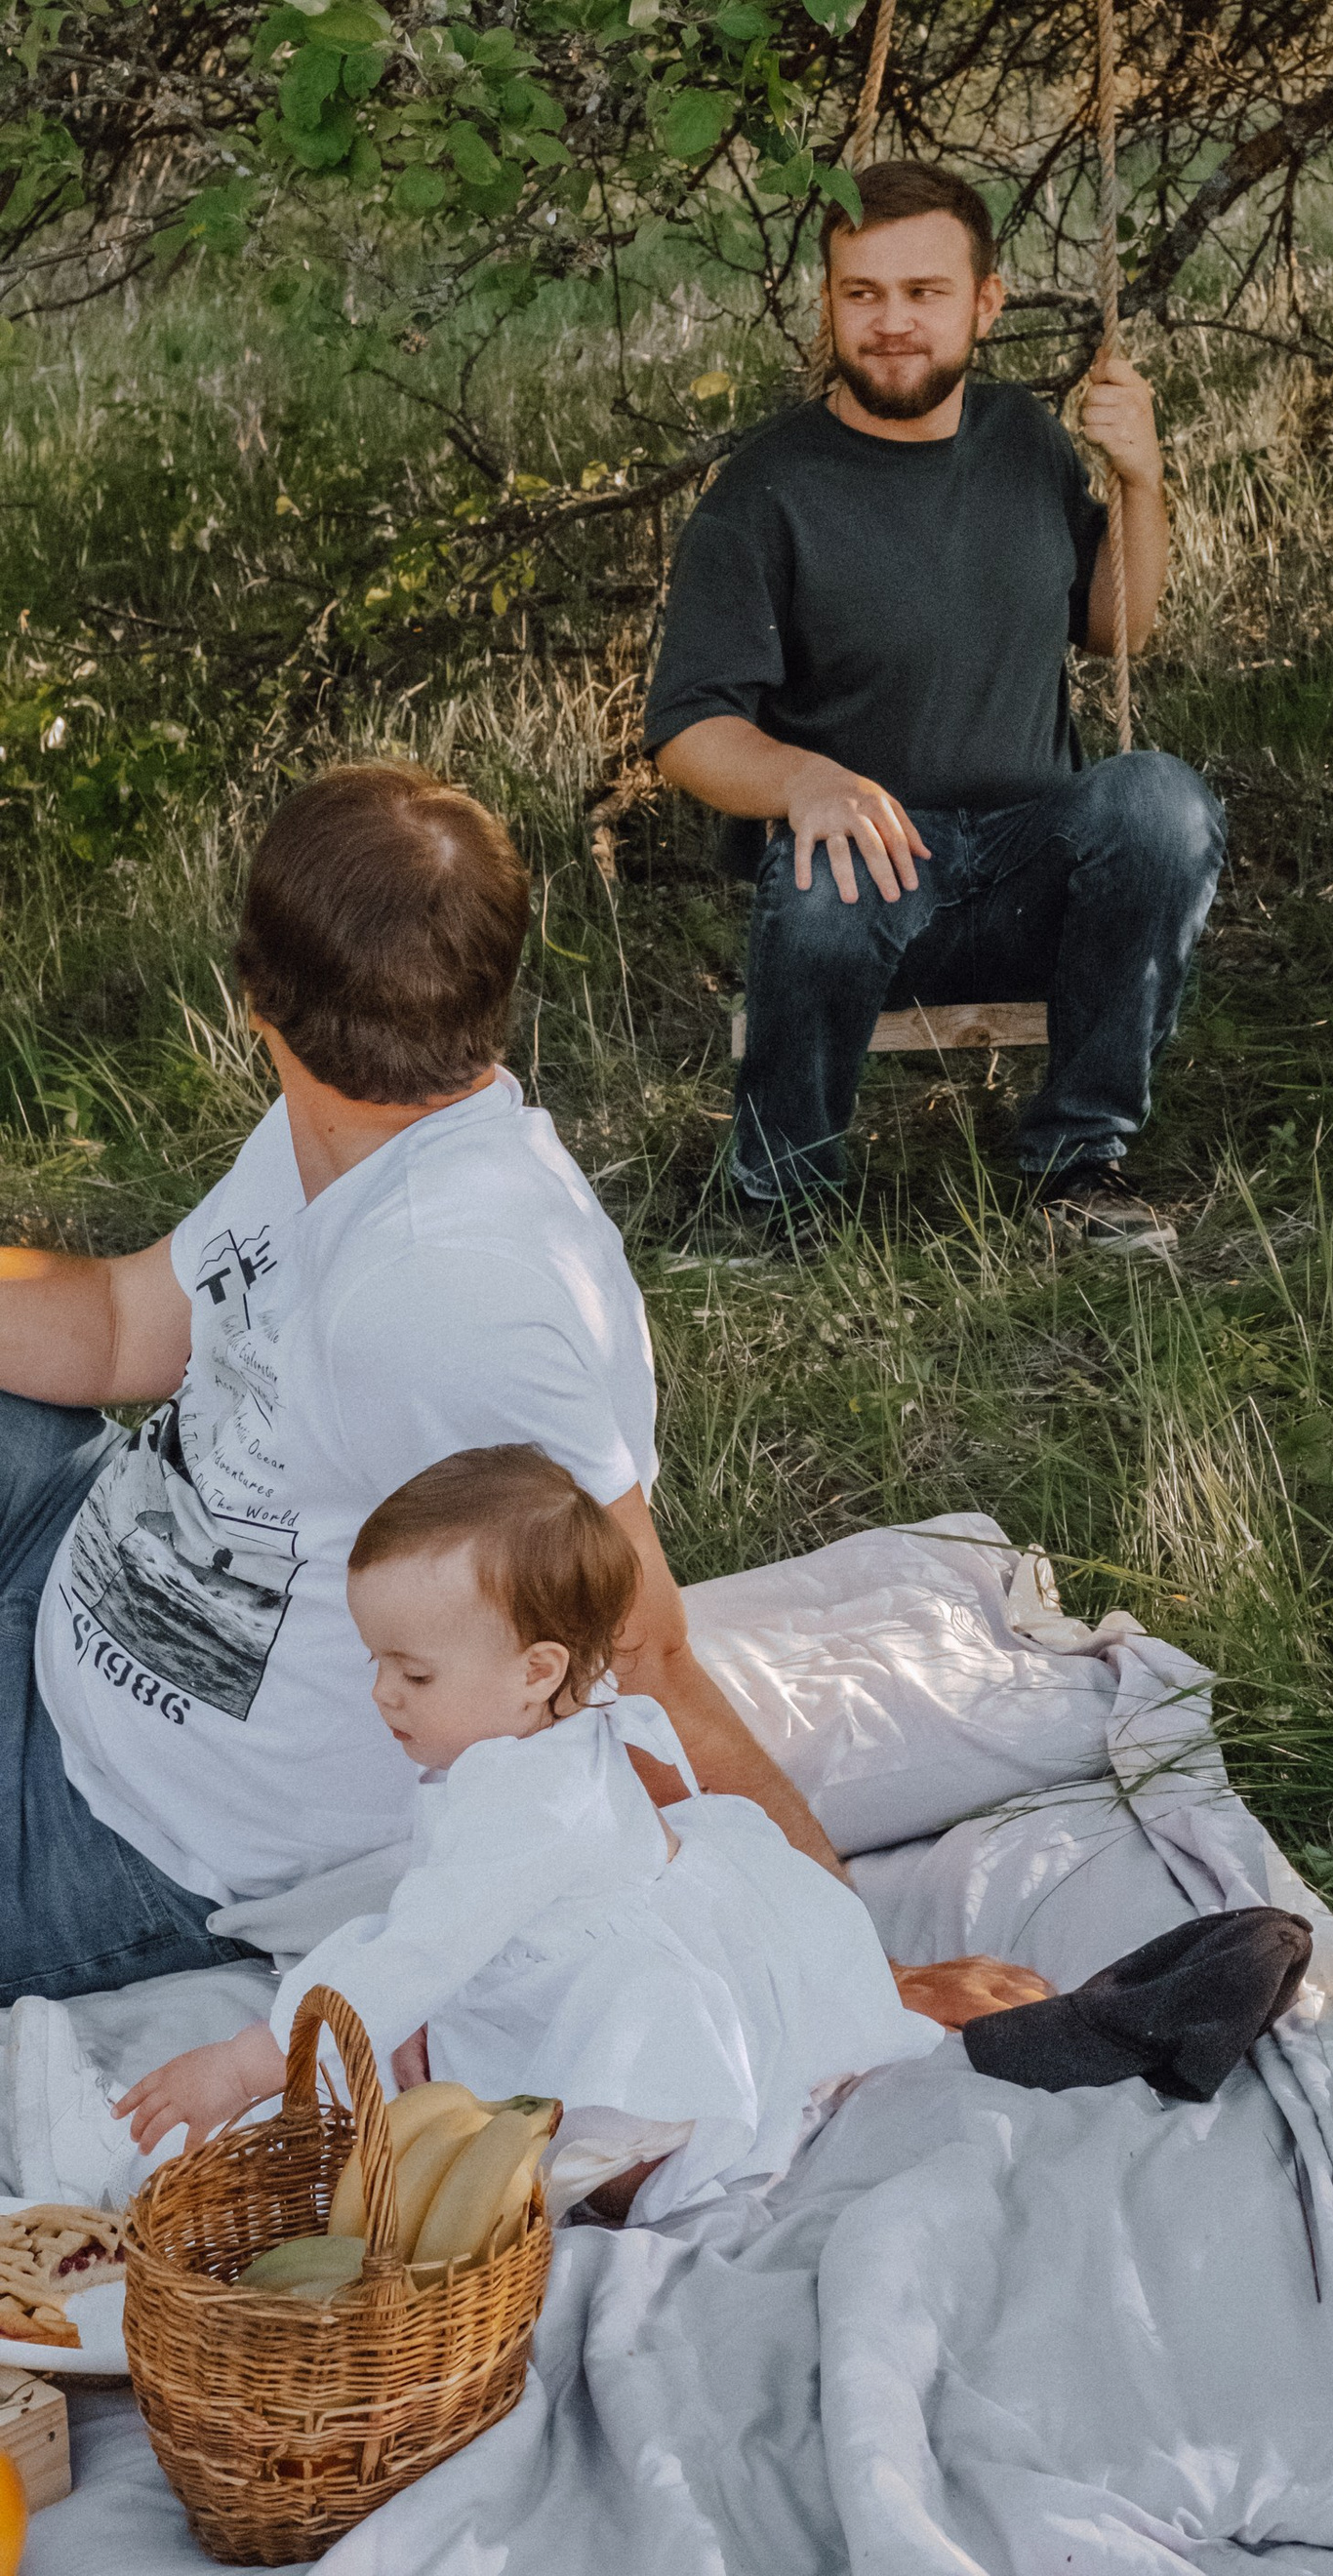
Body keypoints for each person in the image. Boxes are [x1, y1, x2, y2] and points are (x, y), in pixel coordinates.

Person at [0, 762, 1037, 2021]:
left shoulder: (458, 1298)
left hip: (128, 1818)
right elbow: (117, 1328)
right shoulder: (325, 1135)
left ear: (254, 996)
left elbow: (635, 1655)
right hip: (69, 1556)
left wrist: (861, 1977)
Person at [114, 1447, 949, 2214]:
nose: (383, 1693)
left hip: (626, 1992)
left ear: (537, 1670)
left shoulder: (529, 1803)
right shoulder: (542, 1725)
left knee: (598, 2149)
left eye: (413, 1672)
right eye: (376, 1662)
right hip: (565, 1941)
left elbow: (422, 1949)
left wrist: (257, 2058)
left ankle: (662, 2143)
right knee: (450, 2050)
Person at [645, 161, 1226, 1250]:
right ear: (828, 304)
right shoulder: (766, 489)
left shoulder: (1025, 444)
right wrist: (804, 780)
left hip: (1028, 881)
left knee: (1161, 800)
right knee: (830, 867)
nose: (893, 324)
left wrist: (1140, 483)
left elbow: (1117, 630)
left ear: (985, 302)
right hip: (861, 897)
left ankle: (1079, 1168)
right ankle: (781, 1201)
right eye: (863, 294)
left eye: (925, 293)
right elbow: (689, 728)